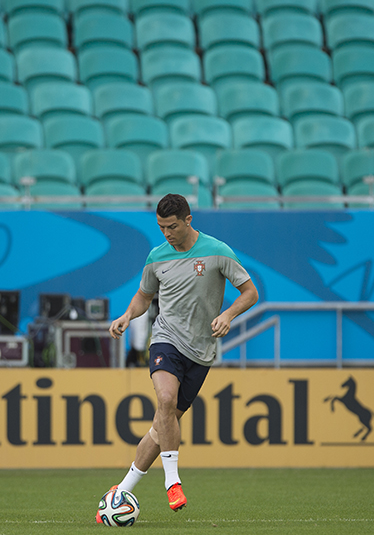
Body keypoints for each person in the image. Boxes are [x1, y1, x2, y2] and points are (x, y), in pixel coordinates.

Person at [96, 193, 258, 520]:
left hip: (201, 351)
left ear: (188, 220)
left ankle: (122, 490)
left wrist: (228, 315)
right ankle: (173, 481)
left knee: (161, 427)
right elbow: (144, 295)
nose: (167, 233)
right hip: (166, 340)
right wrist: (129, 315)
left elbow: (251, 292)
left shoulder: (217, 251)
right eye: (161, 227)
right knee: (166, 401)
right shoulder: (156, 256)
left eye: (172, 226)